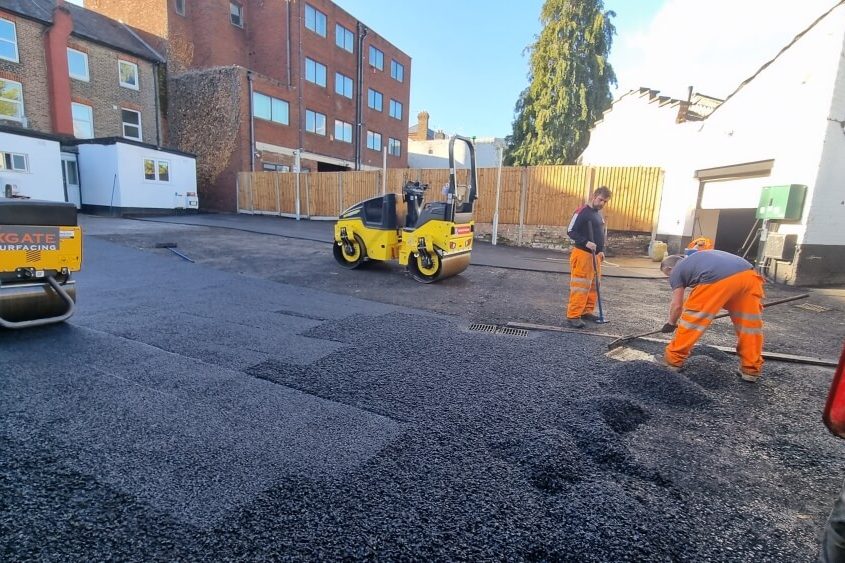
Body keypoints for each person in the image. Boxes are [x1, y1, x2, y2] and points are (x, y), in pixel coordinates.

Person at [657, 250, 765, 381]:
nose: (669, 278)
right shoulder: (696, 260)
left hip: (717, 278)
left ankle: (672, 360)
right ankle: (750, 369)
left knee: (692, 320)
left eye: (667, 274)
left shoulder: (677, 270)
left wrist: (671, 323)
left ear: (670, 268)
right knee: (749, 325)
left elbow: (677, 306)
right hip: (749, 276)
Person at [566, 186, 612, 328]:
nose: (602, 203)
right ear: (594, 196)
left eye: (605, 201)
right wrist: (586, 242)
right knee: (580, 286)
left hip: (595, 256)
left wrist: (601, 249)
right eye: (600, 200)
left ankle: (586, 311)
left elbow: (600, 233)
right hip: (583, 255)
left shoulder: (598, 214)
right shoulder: (582, 212)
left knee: (593, 286)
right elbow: (570, 231)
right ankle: (573, 315)